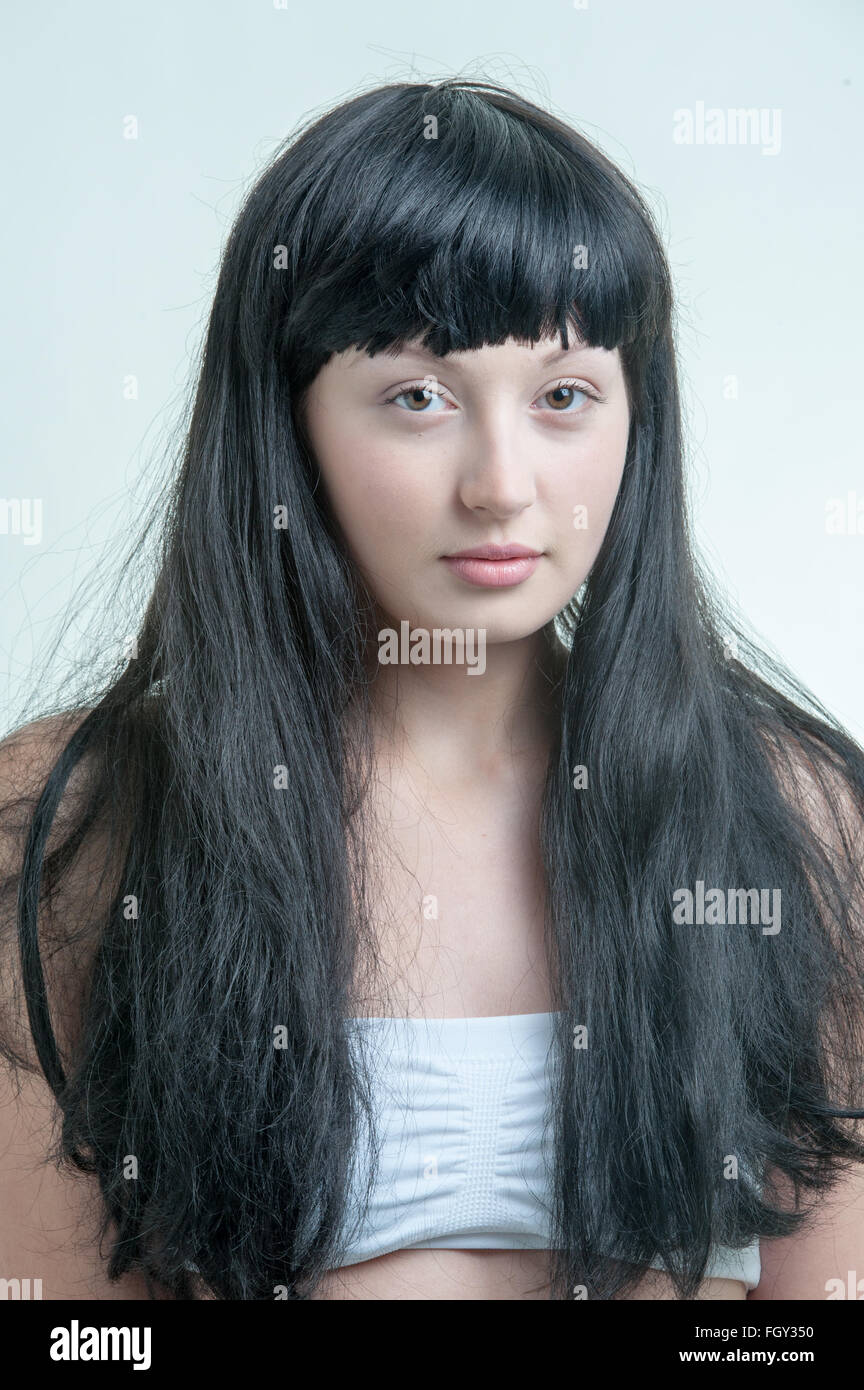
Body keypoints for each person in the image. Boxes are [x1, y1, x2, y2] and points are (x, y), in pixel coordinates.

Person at [2, 78, 863, 1302]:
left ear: (638, 420)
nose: (503, 485)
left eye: (565, 395)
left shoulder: (797, 815)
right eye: (419, 396)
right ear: (285, 425)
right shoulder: (80, 818)